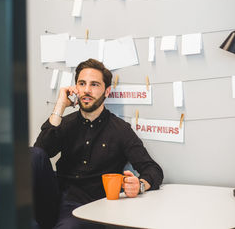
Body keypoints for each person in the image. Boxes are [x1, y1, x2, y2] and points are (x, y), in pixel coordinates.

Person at [32, 59, 163, 229]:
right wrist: (60, 107)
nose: (86, 90)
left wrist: (140, 186)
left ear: (107, 91)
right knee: (33, 154)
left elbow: (153, 169)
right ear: (75, 88)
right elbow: (39, 153)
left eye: (94, 84)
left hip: (88, 206)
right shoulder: (65, 123)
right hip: (54, 198)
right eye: (82, 83)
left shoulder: (120, 130)